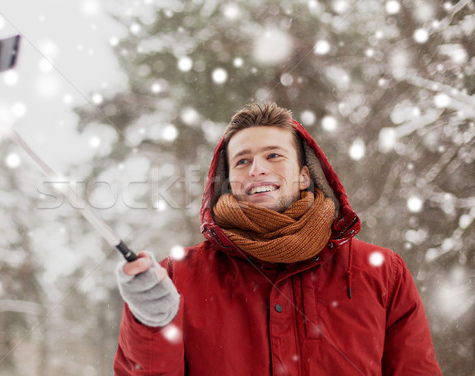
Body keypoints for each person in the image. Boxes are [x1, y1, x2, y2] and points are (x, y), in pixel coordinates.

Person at [113, 102, 442, 375]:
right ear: (229, 183)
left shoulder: (383, 273)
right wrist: (149, 322)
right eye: (242, 161)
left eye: (273, 155)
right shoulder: (178, 278)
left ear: (303, 177)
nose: (256, 168)